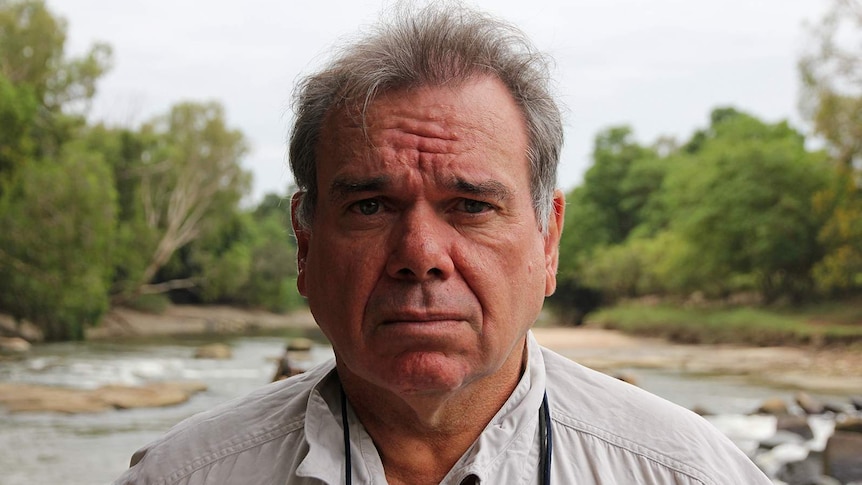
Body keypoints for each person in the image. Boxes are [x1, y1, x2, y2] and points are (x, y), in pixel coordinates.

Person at [114, 3, 772, 484]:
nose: (420, 252)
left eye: (471, 206)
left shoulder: (685, 472)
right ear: (305, 245)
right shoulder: (184, 475)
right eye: (370, 205)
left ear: (548, 240)